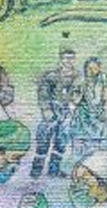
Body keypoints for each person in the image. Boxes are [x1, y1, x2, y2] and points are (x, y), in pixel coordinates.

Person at [31, 48, 80, 178]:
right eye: (66, 58)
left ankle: (53, 170)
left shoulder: (77, 77)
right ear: (61, 59)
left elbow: (78, 93)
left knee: (61, 142)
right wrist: (46, 110)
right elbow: (43, 93)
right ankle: (36, 171)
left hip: (67, 113)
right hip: (52, 112)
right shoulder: (51, 76)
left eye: (71, 58)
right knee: (43, 141)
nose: (69, 61)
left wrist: (73, 105)